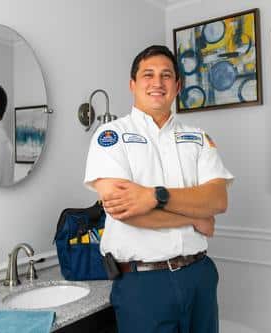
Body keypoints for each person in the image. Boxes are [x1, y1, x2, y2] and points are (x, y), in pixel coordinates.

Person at [84, 45, 234, 333]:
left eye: (166, 75)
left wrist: (154, 196)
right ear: (133, 85)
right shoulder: (111, 136)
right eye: (148, 74)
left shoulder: (198, 138)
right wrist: (194, 216)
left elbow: (218, 199)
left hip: (198, 275)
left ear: (177, 85)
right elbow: (124, 210)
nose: (157, 82)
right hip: (143, 284)